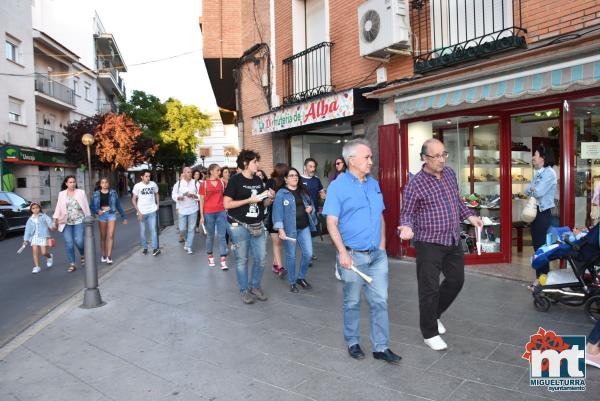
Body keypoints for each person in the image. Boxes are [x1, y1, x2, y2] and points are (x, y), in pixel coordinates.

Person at [398, 138, 483, 351]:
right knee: (429, 289)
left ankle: (434, 314)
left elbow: (457, 200)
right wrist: (406, 227)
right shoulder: (415, 183)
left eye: (443, 154)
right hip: (429, 243)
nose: (441, 160)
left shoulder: (450, 174)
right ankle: (429, 333)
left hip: (452, 238)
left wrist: (470, 217)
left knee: (456, 280)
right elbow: (407, 213)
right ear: (424, 158)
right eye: (436, 156)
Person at [323, 139, 401, 364]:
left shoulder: (373, 184)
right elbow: (331, 223)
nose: (371, 161)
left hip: (377, 255)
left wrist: (383, 245)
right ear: (351, 160)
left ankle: (381, 347)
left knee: (380, 301)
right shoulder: (338, 186)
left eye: (370, 157)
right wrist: (342, 253)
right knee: (352, 301)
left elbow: (381, 216)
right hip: (353, 255)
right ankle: (353, 342)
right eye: (366, 157)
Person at [223, 149, 274, 304]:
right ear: (246, 164)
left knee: (261, 258)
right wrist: (247, 201)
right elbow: (226, 204)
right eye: (254, 162)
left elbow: (261, 202)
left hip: (257, 224)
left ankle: (255, 286)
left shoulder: (258, 181)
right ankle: (244, 290)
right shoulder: (235, 180)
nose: (257, 164)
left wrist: (269, 198)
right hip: (238, 225)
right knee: (242, 259)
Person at [272, 167, 317, 292]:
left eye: (296, 175)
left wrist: (310, 208)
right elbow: (277, 213)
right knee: (291, 256)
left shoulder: (303, 191)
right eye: (291, 175)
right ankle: (292, 281)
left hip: (304, 227)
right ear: (285, 179)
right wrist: (280, 229)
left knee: (308, 254)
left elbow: (311, 204)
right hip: (289, 230)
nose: (295, 177)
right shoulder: (281, 193)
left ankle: (301, 277)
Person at [523, 144, 557, 288]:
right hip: (535, 213)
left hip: (543, 213)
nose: (533, 158)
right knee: (538, 248)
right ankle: (541, 279)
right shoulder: (538, 172)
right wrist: (532, 188)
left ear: (543, 157)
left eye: (535, 155)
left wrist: (532, 188)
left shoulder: (549, 173)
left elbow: (539, 192)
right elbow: (526, 190)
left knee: (542, 248)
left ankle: (542, 280)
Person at [52, 175, 91, 272]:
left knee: (79, 241)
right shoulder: (62, 194)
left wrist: (88, 218)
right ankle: (72, 264)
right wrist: (54, 221)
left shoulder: (81, 192)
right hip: (66, 222)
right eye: (70, 182)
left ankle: (82, 254)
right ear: (66, 183)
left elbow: (86, 206)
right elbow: (58, 208)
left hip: (79, 221)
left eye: (74, 182)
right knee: (69, 243)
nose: (72, 184)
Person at [90, 178, 128, 264]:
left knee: (110, 236)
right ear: (100, 184)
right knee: (103, 236)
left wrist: (123, 217)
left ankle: (109, 256)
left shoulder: (113, 193)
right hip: (102, 215)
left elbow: (118, 205)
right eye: (102, 182)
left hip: (111, 214)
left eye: (106, 182)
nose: (105, 184)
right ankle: (103, 255)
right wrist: (97, 211)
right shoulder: (96, 194)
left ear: (108, 183)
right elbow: (91, 206)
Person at [199, 163, 228, 270]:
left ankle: (223, 261)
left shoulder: (222, 183)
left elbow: (225, 197)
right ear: (211, 171)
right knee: (210, 236)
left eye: (220, 171)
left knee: (222, 236)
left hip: (221, 212)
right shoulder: (204, 184)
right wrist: (201, 216)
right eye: (217, 170)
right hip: (208, 213)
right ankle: (210, 256)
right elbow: (201, 201)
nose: (219, 172)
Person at [266, 163, 288, 276]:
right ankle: (280, 267)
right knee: (277, 242)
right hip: (273, 215)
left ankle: (275, 264)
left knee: (280, 242)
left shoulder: (286, 183)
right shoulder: (270, 182)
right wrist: (272, 198)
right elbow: (266, 198)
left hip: (284, 216)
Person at [132, 170, 161, 256]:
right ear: (142, 177)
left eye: (149, 176)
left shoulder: (153, 184)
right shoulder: (137, 186)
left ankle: (155, 249)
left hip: (152, 211)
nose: (148, 178)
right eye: (146, 176)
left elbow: (157, 194)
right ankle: (145, 247)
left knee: (153, 231)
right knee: (143, 231)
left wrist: (158, 205)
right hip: (142, 212)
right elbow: (133, 199)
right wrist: (138, 212)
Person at [172, 167, 199, 254]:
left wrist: (195, 196)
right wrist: (178, 197)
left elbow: (200, 195)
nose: (190, 174)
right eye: (188, 172)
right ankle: (187, 241)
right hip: (182, 209)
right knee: (182, 228)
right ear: (183, 173)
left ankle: (189, 245)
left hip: (193, 209)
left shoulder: (195, 183)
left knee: (191, 228)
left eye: (191, 172)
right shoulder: (178, 183)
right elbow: (174, 194)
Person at [23, 202, 54, 274]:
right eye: (33, 208)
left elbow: (49, 222)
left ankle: (49, 256)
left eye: (37, 207)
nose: (35, 209)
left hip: (43, 236)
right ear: (31, 210)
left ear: (39, 208)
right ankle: (37, 267)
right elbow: (27, 230)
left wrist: (51, 226)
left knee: (43, 253)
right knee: (35, 251)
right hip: (34, 237)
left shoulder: (43, 216)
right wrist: (25, 240)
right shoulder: (30, 219)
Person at [329, 156, 347, 280]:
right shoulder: (334, 178)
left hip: (348, 214)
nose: (337, 165)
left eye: (339, 163)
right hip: (338, 214)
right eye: (335, 164)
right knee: (339, 242)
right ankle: (339, 268)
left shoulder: (351, 177)